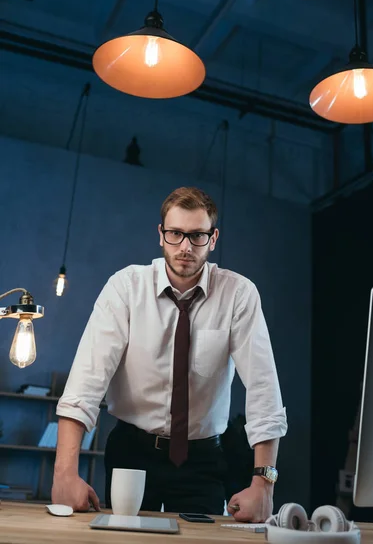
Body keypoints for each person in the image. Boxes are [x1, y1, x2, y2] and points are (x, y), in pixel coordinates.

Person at [51, 186, 287, 522]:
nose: (186, 247)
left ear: (213, 238)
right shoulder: (125, 288)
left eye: (197, 235)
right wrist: (64, 474)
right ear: (161, 235)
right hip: (132, 452)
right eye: (176, 234)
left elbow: (265, 392)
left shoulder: (239, 295)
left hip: (203, 457)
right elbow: (84, 386)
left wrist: (264, 486)